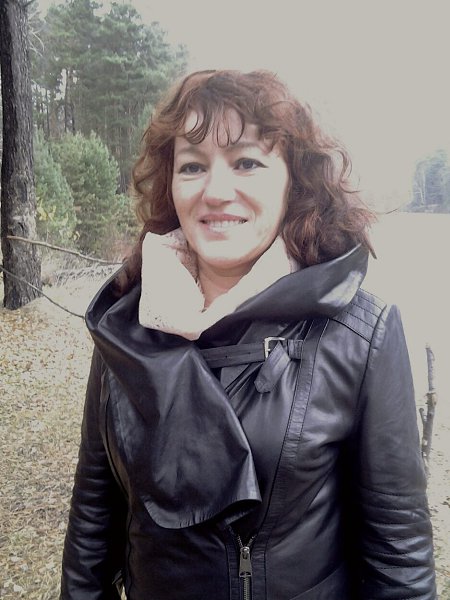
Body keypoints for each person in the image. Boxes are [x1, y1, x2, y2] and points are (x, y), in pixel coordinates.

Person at [60, 70, 436, 599]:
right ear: (171, 184)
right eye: (193, 166)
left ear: (294, 182)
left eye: (246, 162)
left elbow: (399, 555)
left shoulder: (360, 333)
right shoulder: (128, 327)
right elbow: (92, 526)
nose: (215, 191)